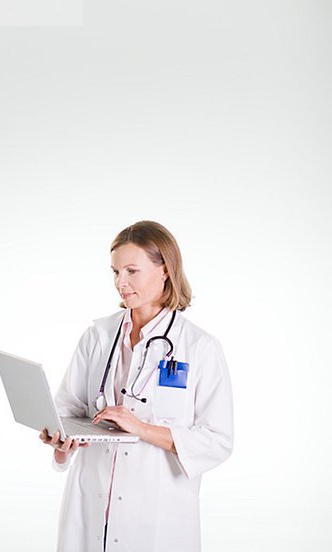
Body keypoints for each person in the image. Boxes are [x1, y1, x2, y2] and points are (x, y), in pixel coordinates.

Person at [40, 220, 234, 552]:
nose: (121, 283)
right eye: (115, 272)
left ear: (165, 271)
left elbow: (218, 440)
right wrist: (62, 439)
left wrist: (141, 428)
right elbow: (67, 407)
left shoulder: (199, 347)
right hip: (92, 498)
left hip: (157, 510)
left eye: (132, 271)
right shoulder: (98, 336)